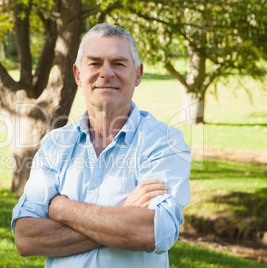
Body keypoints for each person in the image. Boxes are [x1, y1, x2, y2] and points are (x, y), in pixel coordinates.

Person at [11, 23, 191, 267]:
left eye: (118, 63)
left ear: (138, 74)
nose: (106, 73)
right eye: (94, 63)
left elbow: (151, 232)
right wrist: (121, 217)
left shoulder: (163, 142)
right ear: (78, 75)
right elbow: (26, 238)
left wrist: (61, 209)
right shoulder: (56, 144)